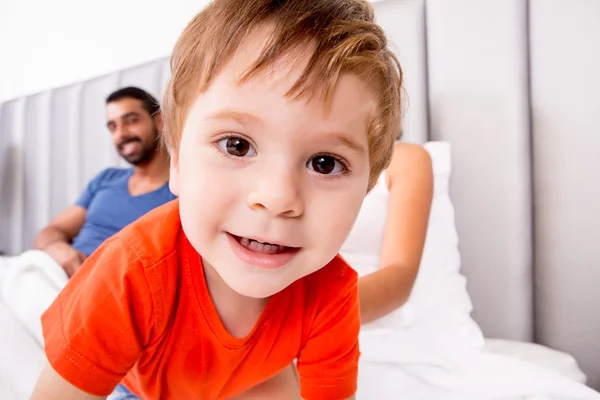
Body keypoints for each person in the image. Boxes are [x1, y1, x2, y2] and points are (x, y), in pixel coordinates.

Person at [30, 0, 404, 399]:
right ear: (176, 162)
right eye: (237, 145)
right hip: (139, 387)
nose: (277, 198)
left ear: (367, 188)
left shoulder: (333, 293)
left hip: (250, 378)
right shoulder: (129, 273)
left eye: (325, 163)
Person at [0, 86, 176, 346]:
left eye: (131, 120)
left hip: (98, 296)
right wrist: (61, 250)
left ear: (160, 121)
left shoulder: (180, 193)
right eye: (112, 126)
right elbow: (50, 233)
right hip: (50, 273)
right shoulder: (106, 180)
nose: (122, 134)